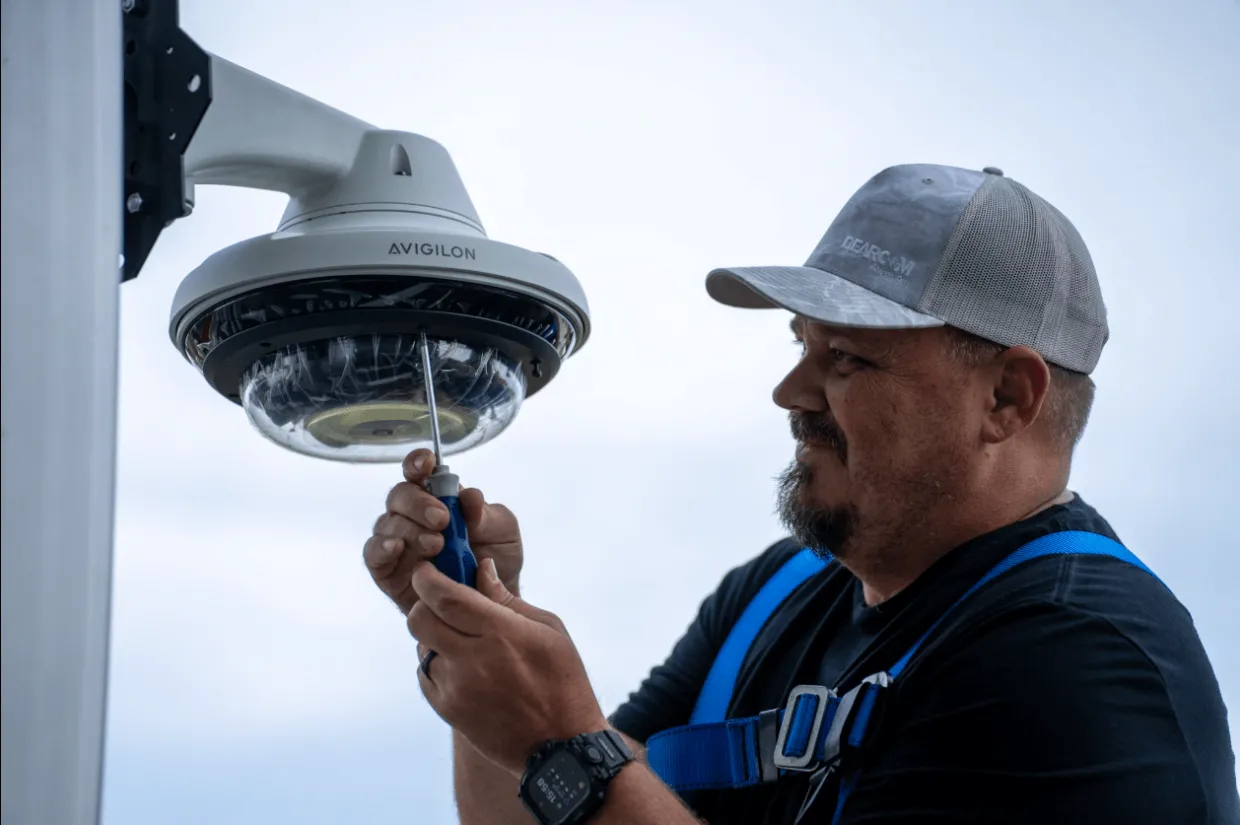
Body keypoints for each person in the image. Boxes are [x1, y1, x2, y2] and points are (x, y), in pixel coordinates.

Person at [363, 163, 1240, 824]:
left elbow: (577, 777)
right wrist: (478, 619)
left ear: (1008, 398)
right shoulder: (775, 595)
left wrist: (557, 738)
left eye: (847, 359)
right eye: (801, 344)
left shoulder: (1081, 662)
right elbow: (549, 809)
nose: (792, 392)